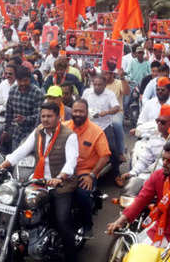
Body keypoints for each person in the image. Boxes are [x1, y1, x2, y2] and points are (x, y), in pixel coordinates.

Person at [0, 102, 79, 259]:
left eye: (49, 116)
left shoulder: (69, 135)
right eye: (43, 116)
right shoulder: (38, 131)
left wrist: (60, 177)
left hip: (61, 184)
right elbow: (22, 151)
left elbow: (71, 161)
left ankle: (71, 257)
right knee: (18, 209)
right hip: (38, 181)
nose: (45, 119)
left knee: (61, 221)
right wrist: (2, 165)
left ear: (58, 117)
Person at [106, 139, 170, 247]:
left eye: (169, 161)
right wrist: (120, 220)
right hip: (158, 231)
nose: (164, 164)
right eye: (163, 159)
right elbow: (141, 200)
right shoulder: (158, 176)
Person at [66, 98, 111, 239]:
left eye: (81, 111)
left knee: (82, 193)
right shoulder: (63, 127)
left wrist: (91, 175)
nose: (78, 114)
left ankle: (87, 225)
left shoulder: (96, 131)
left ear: (86, 113)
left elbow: (105, 156)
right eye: (75, 111)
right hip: (64, 172)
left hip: (84, 173)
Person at [119, 105, 170, 187]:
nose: (159, 124)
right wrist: (132, 173)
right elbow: (144, 160)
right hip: (155, 176)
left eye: (163, 122)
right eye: (158, 121)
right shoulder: (154, 139)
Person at [82, 74, 122, 187]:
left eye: (100, 85)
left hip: (104, 126)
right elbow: (81, 104)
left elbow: (116, 107)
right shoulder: (87, 92)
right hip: (89, 125)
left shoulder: (110, 94)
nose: (97, 87)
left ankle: (116, 174)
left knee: (112, 149)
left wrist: (107, 112)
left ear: (105, 85)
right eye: (95, 84)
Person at [3, 66, 45, 149]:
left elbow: (39, 117)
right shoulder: (12, 91)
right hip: (16, 132)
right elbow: (8, 113)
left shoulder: (37, 93)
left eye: (25, 80)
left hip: (32, 133)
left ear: (30, 79)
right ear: (16, 80)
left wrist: (25, 119)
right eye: (19, 81)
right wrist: (6, 130)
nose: (22, 83)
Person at [103, 62, 130, 163]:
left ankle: (121, 152)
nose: (106, 76)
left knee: (116, 124)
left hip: (116, 112)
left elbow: (127, 92)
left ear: (112, 74)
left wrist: (122, 78)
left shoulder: (118, 83)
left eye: (108, 73)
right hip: (101, 113)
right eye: (104, 73)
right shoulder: (99, 83)